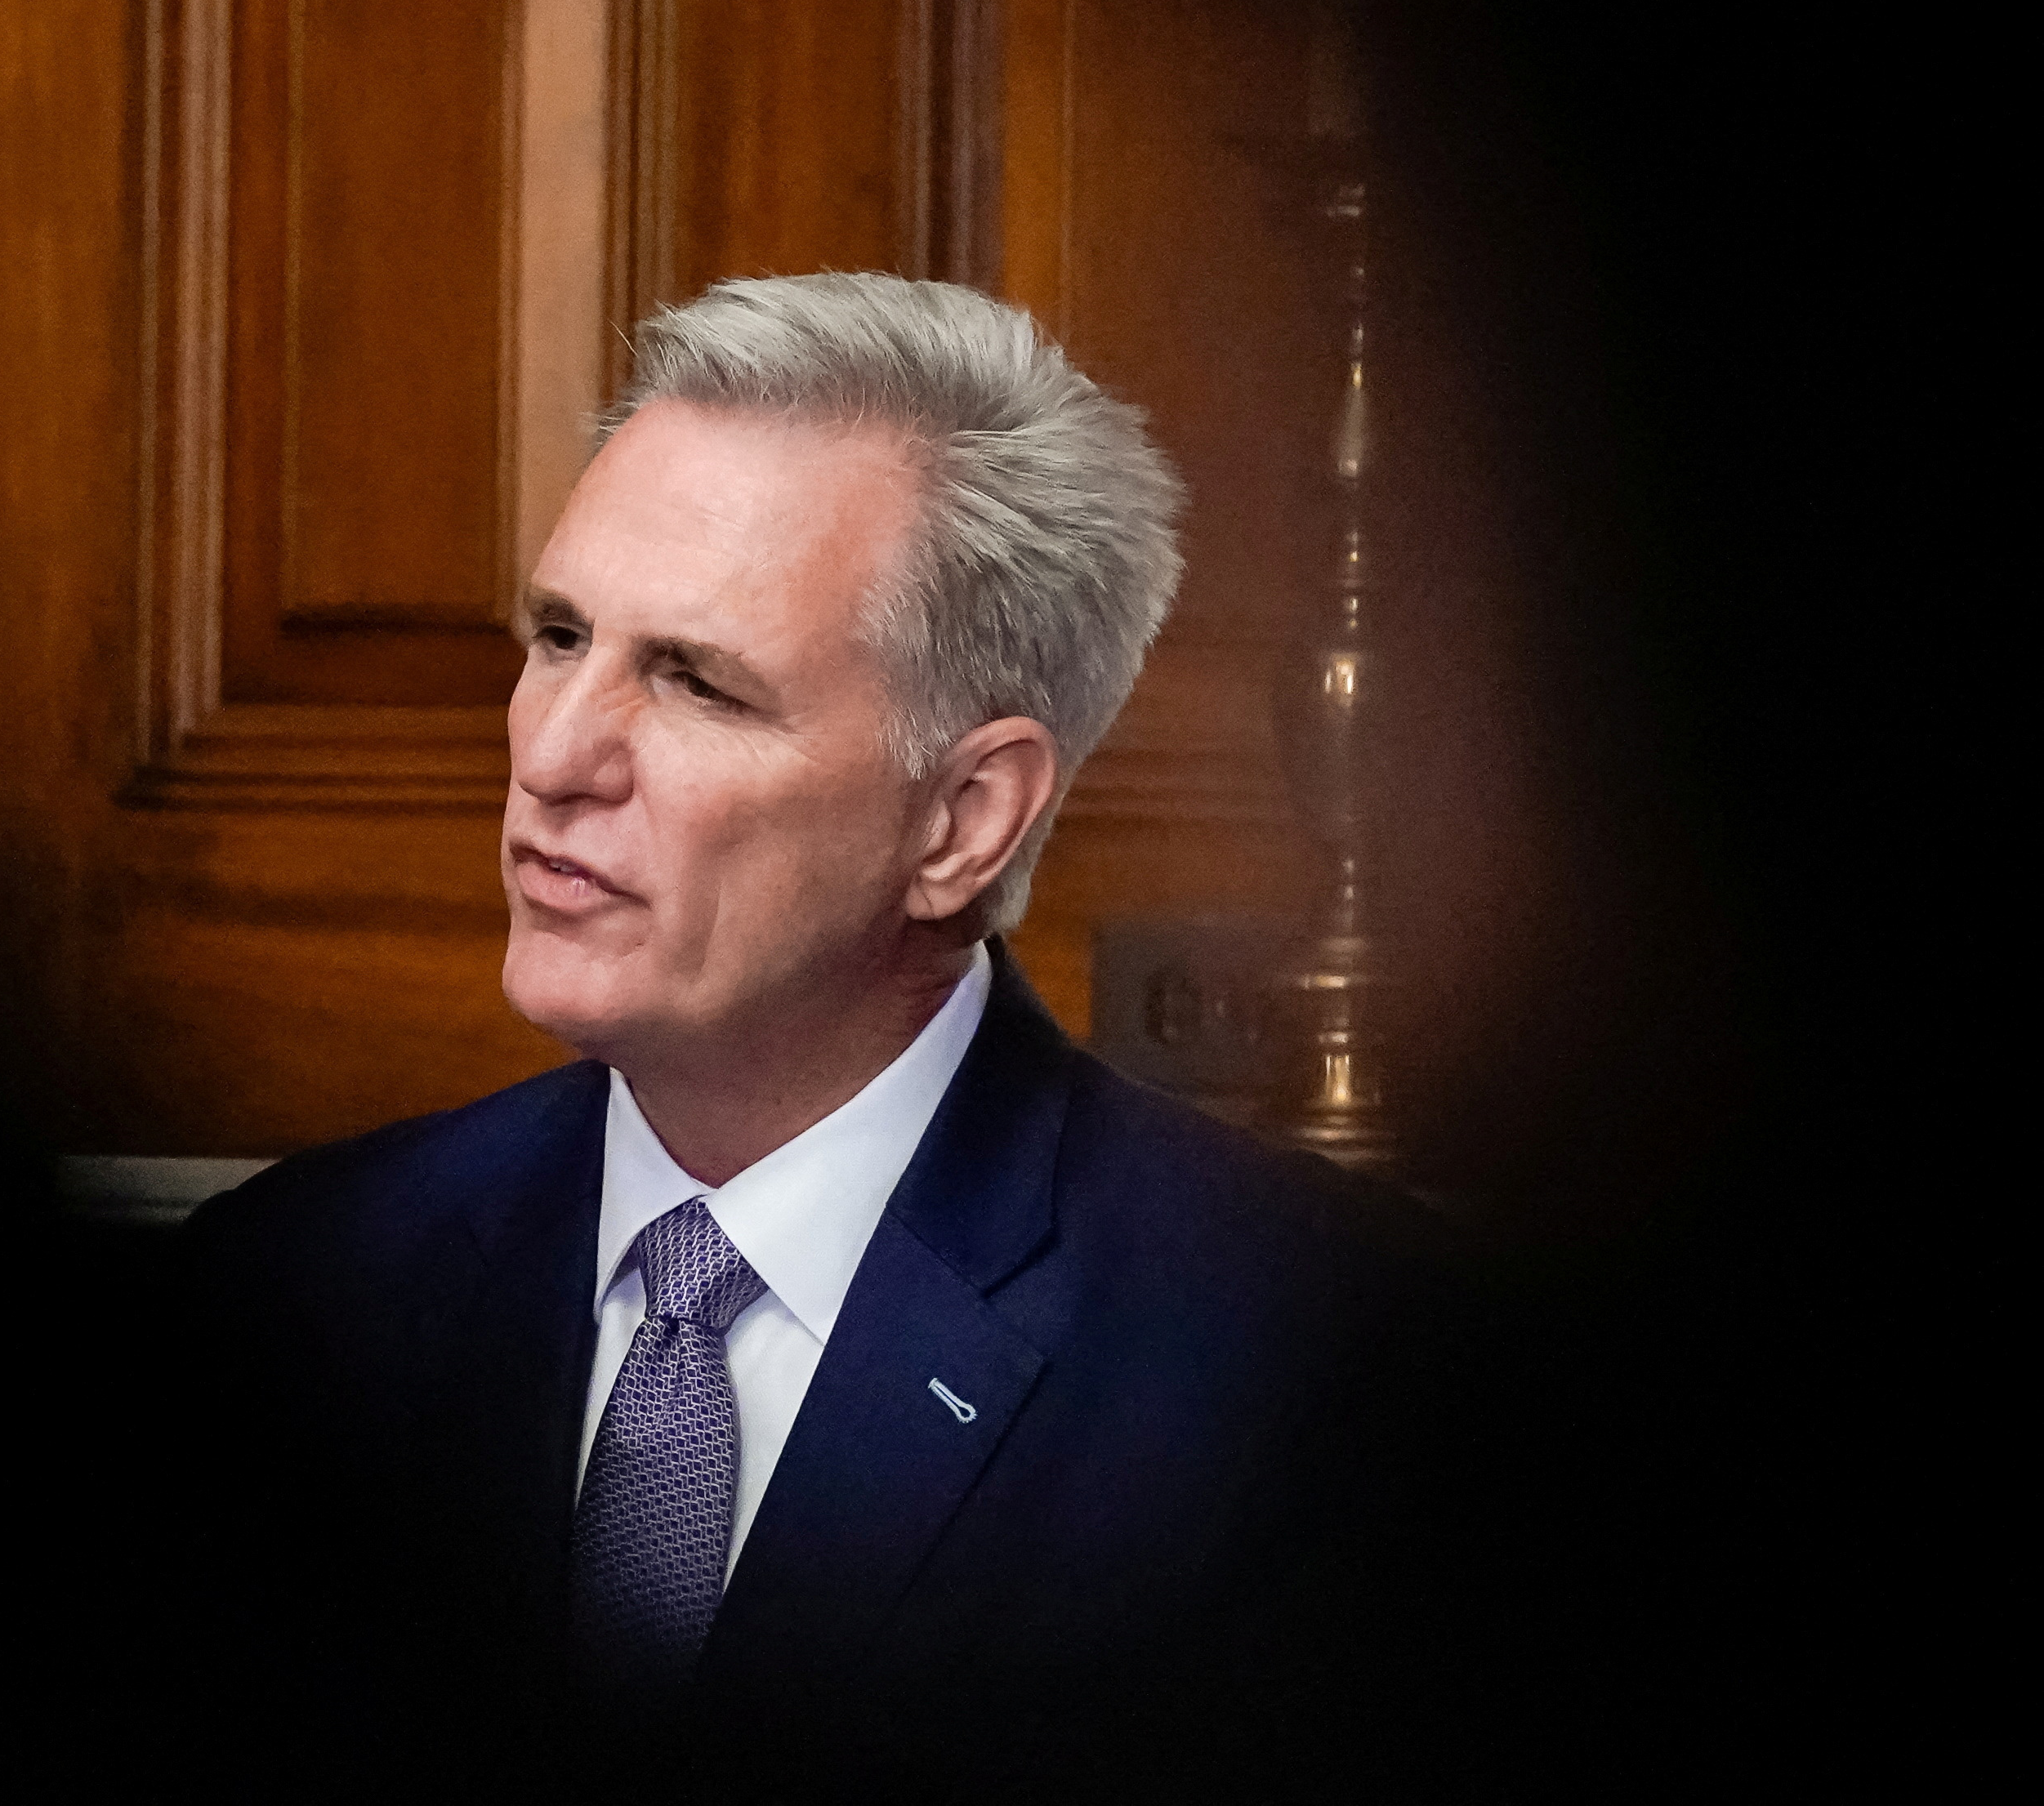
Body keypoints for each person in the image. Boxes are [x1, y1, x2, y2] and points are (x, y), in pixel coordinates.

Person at [171, 273, 1444, 1796]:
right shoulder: (285, 1286)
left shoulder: (1325, 1372)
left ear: (963, 820)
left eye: (696, 682)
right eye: (560, 634)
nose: (552, 752)